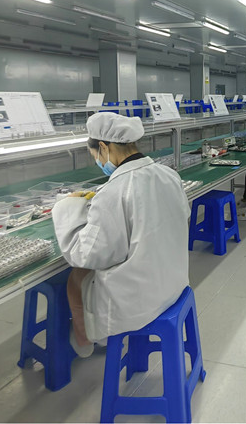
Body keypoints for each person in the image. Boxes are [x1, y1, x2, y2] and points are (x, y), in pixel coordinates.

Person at [52, 112, 190, 357]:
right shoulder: (169, 175)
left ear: (104, 147)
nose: (97, 160)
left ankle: (86, 339)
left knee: (76, 277)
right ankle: (90, 333)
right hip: (174, 282)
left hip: (141, 300)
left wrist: (67, 207)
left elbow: (87, 255)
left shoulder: (114, 191)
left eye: (95, 155)